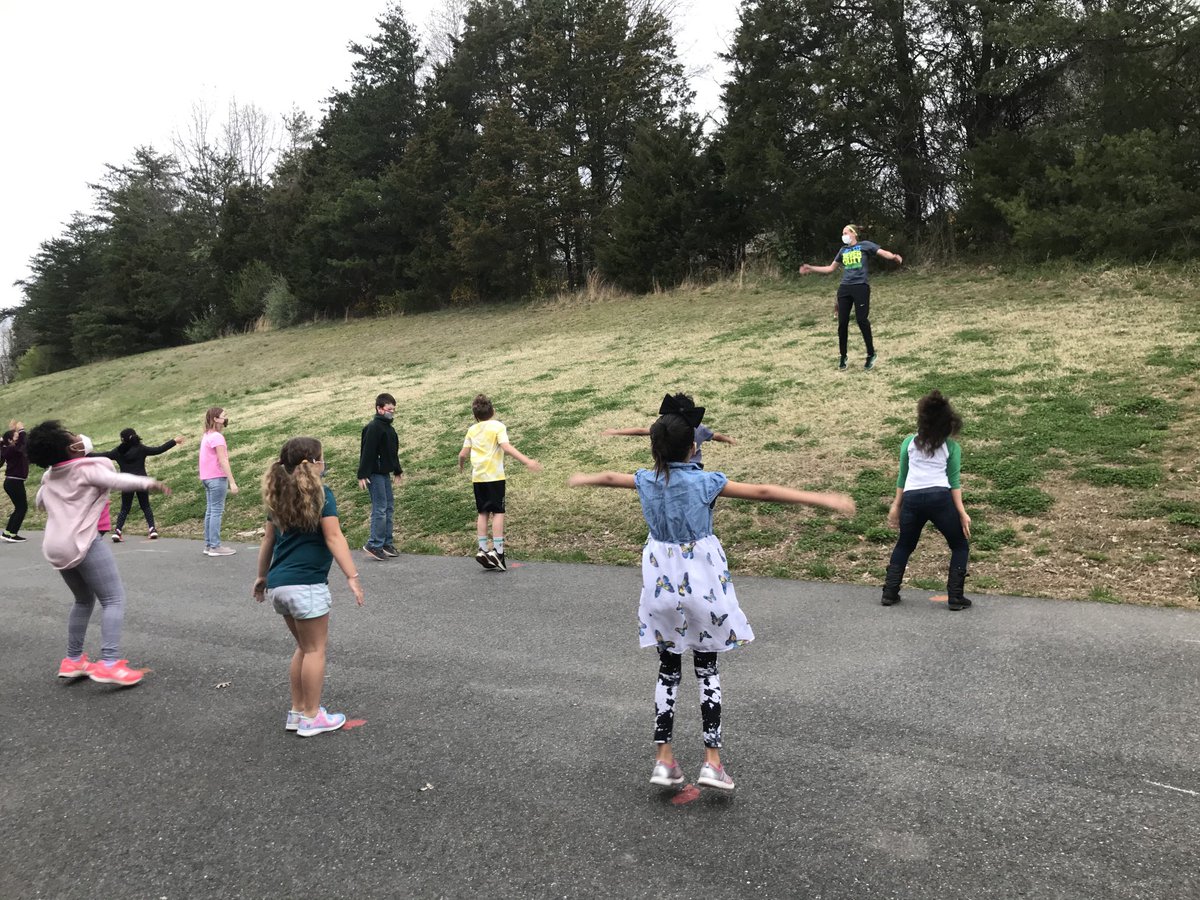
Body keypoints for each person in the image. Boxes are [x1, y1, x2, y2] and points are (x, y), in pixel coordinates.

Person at [568, 397, 856, 791]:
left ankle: (664, 761)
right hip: (702, 590)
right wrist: (820, 498)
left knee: (668, 672)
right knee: (707, 671)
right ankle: (712, 763)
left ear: (654, 448)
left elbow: (607, 478)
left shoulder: (645, 479)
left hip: (661, 590)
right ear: (693, 447)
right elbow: (764, 492)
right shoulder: (706, 482)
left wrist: (581, 477)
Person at [27, 420, 170, 686]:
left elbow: (39, 501)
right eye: (72, 436)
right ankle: (109, 663)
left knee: (82, 600)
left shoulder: (50, 475)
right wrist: (149, 483)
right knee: (113, 599)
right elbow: (115, 479)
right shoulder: (84, 470)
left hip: (55, 545)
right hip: (82, 542)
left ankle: (73, 660)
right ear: (70, 448)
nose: (79, 437)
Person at [252, 437, 365, 738]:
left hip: (279, 586)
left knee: (303, 648)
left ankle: (298, 712)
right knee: (315, 649)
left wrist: (261, 577)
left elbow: (268, 540)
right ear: (313, 463)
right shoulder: (321, 494)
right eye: (322, 458)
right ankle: (313, 717)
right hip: (306, 585)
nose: (324, 463)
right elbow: (333, 536)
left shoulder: (278, 495)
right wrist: (352, 576)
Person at [882, 390, 972, 611]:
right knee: (959, 545)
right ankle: (955, 597)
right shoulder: (951, 447)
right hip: (940, 498)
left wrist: (896, 506)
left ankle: (889, 593)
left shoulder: (909, 443)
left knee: (905, 544)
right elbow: (954, 482)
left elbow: (903, 476)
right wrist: (961, 512)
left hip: (912, 499)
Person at [799, 223, 904, 370]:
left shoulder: (865, 245)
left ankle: (871, 354)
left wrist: (893, 257)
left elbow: (882, 252)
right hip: (844, 289)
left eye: (846, 232)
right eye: (843, 233)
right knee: (842, 324)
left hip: (861, 287)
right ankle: (843, 356)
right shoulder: (843, 250)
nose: (844, 236)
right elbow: (830, 268)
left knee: (862, 320)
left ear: (854, 234)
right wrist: (811, 268)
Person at [458, 394, 542, 571]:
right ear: (493, 411)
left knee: (483, 512)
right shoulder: (498, 426)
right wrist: (527, 461)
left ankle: (482, 549)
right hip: (495, 477)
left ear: (475, 415)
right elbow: (507, 447)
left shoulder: (472, 430)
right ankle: (498, 551)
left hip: (478, 477)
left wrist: (461, 465)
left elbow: (462, 454)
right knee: (498, 512)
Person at [94, 428, 185, 541]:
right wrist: (174, 441)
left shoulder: (118, 451)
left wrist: (83, 454)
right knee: (145, 506)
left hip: (126, 483)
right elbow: (158, 449)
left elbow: (103, 455)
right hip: (142, 482)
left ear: (122, 439)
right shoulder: (141, 448)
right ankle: (152, 530)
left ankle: (118, 531)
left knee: (125, 508)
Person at [602, 393, 736, 469]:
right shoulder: (699, 429)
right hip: (693, 469)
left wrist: (616, 431)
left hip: (668, 467)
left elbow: (640, 430)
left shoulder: (664, 427)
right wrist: (728, 439)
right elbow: (715, 436)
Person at [357, 393, 403, 562]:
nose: (392, 412)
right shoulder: (373, 427)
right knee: (380, 508)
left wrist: (397, 470)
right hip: (374, 474)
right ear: (379, 409)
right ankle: (374, 544)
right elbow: (367, 452)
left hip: (384, 473)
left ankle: (386, 543)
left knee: (389, 507)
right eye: (389, 409)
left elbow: (392, 453)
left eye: (393, 410)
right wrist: (363, 474)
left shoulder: (390, 430)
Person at [199, 407, 239, 556]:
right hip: (216, 478)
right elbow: (223, 460)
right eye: (224, 416)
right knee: (216, 511)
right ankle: (215, 546)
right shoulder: (217, 437)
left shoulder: (207, 435)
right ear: (216, 419)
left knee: (210, 511)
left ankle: (209, 545)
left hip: (207, 478)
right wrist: (232, 482)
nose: (226, 418)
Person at [1, 420, 29, 542]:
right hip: (14, 482)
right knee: (22, 508)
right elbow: (24, 444)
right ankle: (11, 534)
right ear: (10, 441)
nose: (18, 438)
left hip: (13, 482)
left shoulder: (9, 449)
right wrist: (21, 430)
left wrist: (14, 431)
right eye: (15, 437)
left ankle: (8, 533)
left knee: (19, 507)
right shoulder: (12, 450)